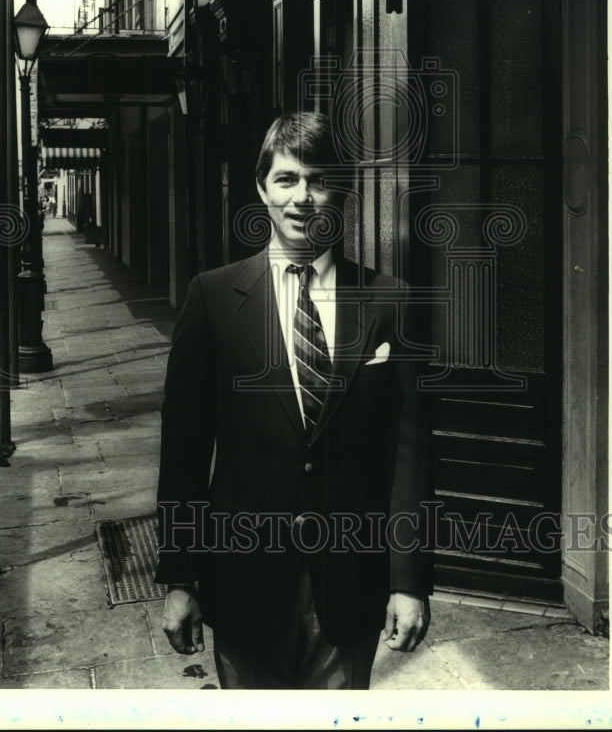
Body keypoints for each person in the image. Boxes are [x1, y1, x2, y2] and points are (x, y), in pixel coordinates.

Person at [155, 111, 433, 690]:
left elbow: (410, 454)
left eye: (319, 179)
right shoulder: (212, 299)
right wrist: (179, 578)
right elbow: (183, 452)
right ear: (262, 189)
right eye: (286, 179)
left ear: (343, 192)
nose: (303, 198)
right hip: (243, 581)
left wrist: (409, 581)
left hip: (349, 584)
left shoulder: (390, 301)